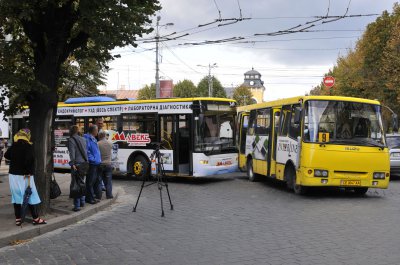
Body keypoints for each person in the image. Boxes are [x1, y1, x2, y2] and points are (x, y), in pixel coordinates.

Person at [4, 129, 47, 226]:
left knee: (16, 197)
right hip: (25, 176)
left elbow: (6, 155)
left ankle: (18, 219)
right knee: (30, 196)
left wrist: (15, 159)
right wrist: (28, 171)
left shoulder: (14, 145)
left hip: (13, 175)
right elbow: (30, 160)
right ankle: (35, 218)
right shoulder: (28, 146)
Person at [68, 125, 88, 211]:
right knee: (81, 183)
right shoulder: (83, 139)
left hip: (76, 165)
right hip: (84, 164)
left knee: (76, 184)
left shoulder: (71, 140)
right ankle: (82, 201)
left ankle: (77, 206)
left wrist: (72, 164)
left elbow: (72, 153)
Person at [84, 125, 101, 204]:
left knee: (93, 181)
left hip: (96, 163)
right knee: (90, 182)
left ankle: (92, 197)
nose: (97, 132)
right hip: (92, 163)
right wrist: (93, 159)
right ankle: (89, 198)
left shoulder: (93, 138)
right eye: (97, 130)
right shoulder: (87, 138)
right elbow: (87, 151)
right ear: (93, 131)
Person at [98, 131, 113, 199]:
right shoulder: (110, 143)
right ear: (104, 135)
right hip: (108, 164)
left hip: (100, 165)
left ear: (100, 136)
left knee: (99, 181)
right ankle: (109, 195)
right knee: (108, 181)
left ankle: (99, 196)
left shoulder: (98, 144)